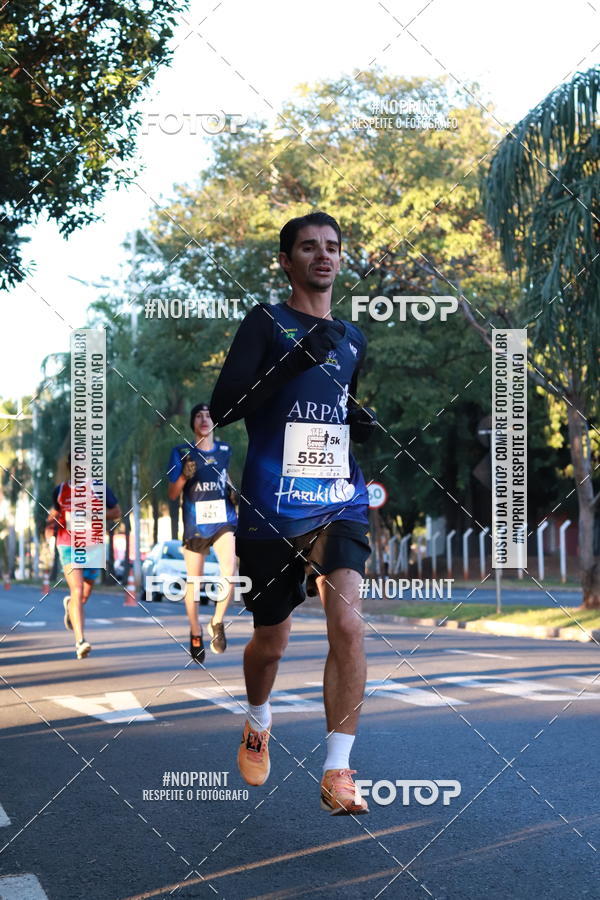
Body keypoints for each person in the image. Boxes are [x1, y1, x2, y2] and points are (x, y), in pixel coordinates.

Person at [210, 211, 378, 815]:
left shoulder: (354, 338)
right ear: (286, 260)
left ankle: (338, 770)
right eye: (308, 247)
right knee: (271, 642)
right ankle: (258, 718)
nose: (323, 256)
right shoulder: (265, 323)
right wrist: (294, 360)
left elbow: (335, 407)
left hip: (339, 497)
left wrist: (357, 420)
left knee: (350, 625)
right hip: (272, 503)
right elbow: (225, 405)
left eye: (333, 246)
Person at [167, 402, 238, 664]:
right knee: (194, 583)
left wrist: (233, 491)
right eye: (199, 416)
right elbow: (173, 494)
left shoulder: (225, 450)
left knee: (230, 568)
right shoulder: (182, 452)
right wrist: (184, 476)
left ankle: (217, 622)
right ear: (192, 423)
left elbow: (224, 478)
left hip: (224, 519)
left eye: (209, 415)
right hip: (196, 523)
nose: (204, 419)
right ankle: (195, 632)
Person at [45, 453, 121, 659]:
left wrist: (93, 514)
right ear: (69, 466)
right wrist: (49, 526)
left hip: (93, 546)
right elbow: (55, 513)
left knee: (83, 595)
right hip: (68, 545)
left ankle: (70, 606)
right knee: (77, 589)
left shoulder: (99, 487)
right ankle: (80, 641)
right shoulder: (60, 491)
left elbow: (116, 512)